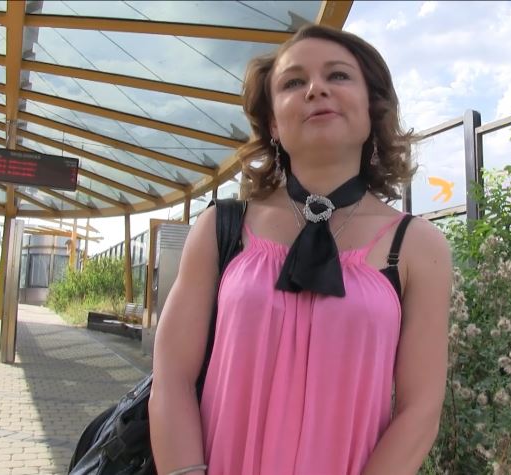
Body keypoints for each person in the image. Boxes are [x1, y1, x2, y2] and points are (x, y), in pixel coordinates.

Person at [149, 24, 453, 475]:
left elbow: (421, 409)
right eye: (294, 82)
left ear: (372, 108)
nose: (316, 89)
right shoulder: (220, 227)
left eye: (338, 75)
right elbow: (171, 376)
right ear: (273, 122)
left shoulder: (417, 245)